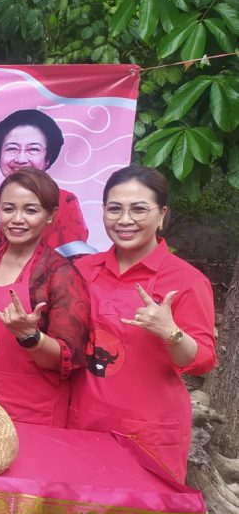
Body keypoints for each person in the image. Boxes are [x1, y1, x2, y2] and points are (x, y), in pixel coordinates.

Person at [70, 166, 216, 482]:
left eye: (139, 209)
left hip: (149, 432)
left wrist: (171, 333)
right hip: (84, 421)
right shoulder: (82, 269)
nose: (124, 220)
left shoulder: (186, 280)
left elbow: (201, 361)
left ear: (162, 214)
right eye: (115, 209)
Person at [0, 168, 90, 426]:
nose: (17, 219)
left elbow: (67, 358)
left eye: (31, 210)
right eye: (9, 209)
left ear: (51, 215)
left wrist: (31, 337)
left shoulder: (60, 274)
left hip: (30, 411)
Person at [0, 109, 94, 257]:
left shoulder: (63, 201)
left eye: (33, 149)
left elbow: (73, 260)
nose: (21, 159)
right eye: (12, 148)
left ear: (48, 158)